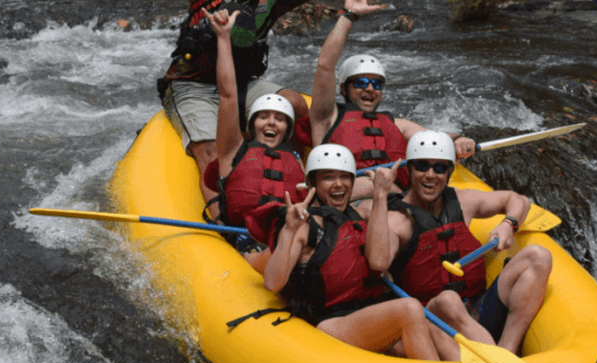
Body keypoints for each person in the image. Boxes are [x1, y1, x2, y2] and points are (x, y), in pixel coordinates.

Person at [364, 130, 552, 360]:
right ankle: (497, 362)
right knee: (447, 300)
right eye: (422, 166)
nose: (430, 175)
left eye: (440, 168)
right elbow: (377, 261)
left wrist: (508, 224)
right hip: (434, 323)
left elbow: (518, 200)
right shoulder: (398, 220)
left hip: (476, 309)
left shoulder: (463, 201)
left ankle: (507, 351)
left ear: (450, 171)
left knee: (538, 256)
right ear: (409, 170)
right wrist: (380, 196)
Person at [262, 144, 440, 361]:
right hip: (331, 321)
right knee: (411, 308)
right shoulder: (304, 225)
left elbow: (379, 262)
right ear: (312, 183)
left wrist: (381, 194)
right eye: (328, 177)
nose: (338, 184)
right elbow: (272, 283)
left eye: (345, 177)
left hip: (365, 312)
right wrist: (289, 230)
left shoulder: (356, 213)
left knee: (431, 326)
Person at [300, 0, 479, 201]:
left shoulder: (397, 125)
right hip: (347, 204)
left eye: (376, 85)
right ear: (343, 88)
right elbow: (325, 65)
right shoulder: (327, 118)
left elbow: (434, 138)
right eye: (360, 82)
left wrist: (457, 141)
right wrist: (349, 15)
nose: (369, 88)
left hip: (393, 204)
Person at [158, 0, 310, 217]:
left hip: (241, 85)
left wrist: (350, 12)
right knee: (212, 152)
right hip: (193, 86)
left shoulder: (268, 4)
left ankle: (297, 180)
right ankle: (227, 226)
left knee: (293, 103)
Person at [200, 8, 308, 271]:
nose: (271, 122)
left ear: (287, 129)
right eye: (264, 117)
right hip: (248, 244)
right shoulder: (233, 150)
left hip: (289, 240)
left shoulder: (296, 161)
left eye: (279, 119)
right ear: (252, 124)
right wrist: (223, 38)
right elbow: (227, 95)